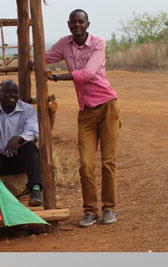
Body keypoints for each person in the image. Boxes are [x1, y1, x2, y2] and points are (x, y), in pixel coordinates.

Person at [45, 9, 120, 228]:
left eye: (81, 22)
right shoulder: (64, 44)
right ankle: (89, 211)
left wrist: (57, 76)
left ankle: (108, 208)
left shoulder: (98, 44)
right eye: (73, 22)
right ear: (68, 24)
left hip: (108, 107)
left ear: (88, 24)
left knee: (108, 162)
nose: (77, 25)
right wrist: (32, 62)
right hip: (86, 111)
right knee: (85, 164)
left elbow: (87, 73)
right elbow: (45, 58)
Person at [0, 79, 43, 207]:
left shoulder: (27, 109)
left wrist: (18, 138)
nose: (12, 95)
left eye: (15, 92)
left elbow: (34, 132)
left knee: (30, 147)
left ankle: (35, 190)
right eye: (8, 92)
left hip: (18, 160)